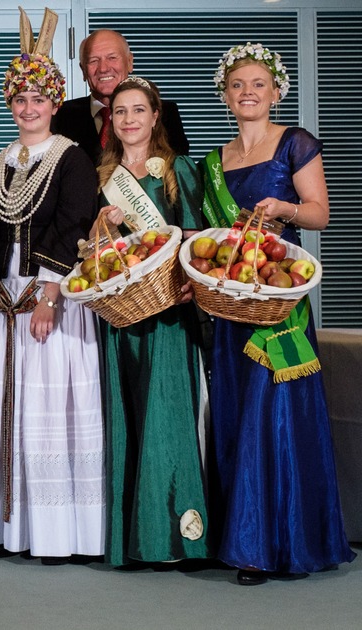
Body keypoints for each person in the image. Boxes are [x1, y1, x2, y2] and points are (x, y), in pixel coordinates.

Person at [201, 43, 354, 586]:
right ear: (225, 95)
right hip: (229, 305)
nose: (248, 92)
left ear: (276, 91)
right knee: (238, 414)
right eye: (237, 85)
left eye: (258, 84)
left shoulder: (296, 144)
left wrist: (284, 209)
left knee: (276, 415)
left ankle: (280, 541)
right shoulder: (214, 163)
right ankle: (245, 540)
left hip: (277, 301)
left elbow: (320, 214)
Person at [0, 28, 104, 564]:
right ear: (10, 102)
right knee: (1, 407)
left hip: (53, 296)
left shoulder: (70, 159)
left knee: (47, 405)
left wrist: (49, 292)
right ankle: (5, 526)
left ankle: (53, 533)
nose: (28, 107)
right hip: (2, 298)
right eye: (19, 99)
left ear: (54, 102)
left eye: (38, 99)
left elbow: (73, 222)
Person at [93, 76, 209, 567]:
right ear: (111, 120)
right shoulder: (104, 175)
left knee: (167, 416)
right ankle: (134, 538)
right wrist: (102, 229)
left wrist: (191, 286)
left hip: (167, 313)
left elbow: (200, 237)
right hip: (122, 313)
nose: (129, 120)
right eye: (120, 112)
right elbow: (94, 253)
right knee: (128, 417)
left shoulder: (177, 168)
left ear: (156, 116)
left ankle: (177, 537)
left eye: (138, 110)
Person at [53, 30, 189, 165]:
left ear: (130, 62)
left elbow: (178, 173)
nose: (103, 68)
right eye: (93, 60)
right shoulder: (60, 115)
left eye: (112, 58)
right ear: (83, 70)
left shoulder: (165, 113)